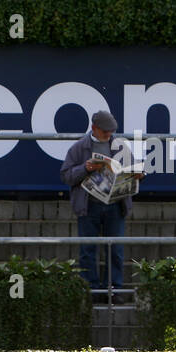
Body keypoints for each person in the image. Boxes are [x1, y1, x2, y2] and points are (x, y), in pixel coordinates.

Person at [59, 109, 141, 295]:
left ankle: (114, 289)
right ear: (93, 128)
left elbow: (134, 169)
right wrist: (85, 168)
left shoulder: (120, 147)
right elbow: (66, 176)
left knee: (116, 250)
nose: (108, 134)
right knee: (88, 250)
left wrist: (138, 175)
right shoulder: (79, 148)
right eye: (105, 131)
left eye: (111, 131)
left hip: (115, 205)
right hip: (89, 206)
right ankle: (91, 289)